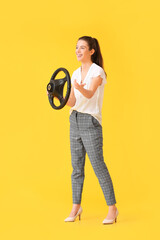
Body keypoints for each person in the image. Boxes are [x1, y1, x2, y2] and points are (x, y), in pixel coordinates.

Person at [64, 36, 119, 224]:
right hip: (75, 119)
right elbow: (71, 102)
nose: (78, 50)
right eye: (76, 47)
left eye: (82, 48)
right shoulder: (74, 73)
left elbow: (90, 94)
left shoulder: (98, 71)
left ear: (91, 51)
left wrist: (80, 87)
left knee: (98, 165)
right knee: (76, 167)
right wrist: (57, 96)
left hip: (90, 121)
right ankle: (76, 206)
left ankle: (112, 209)